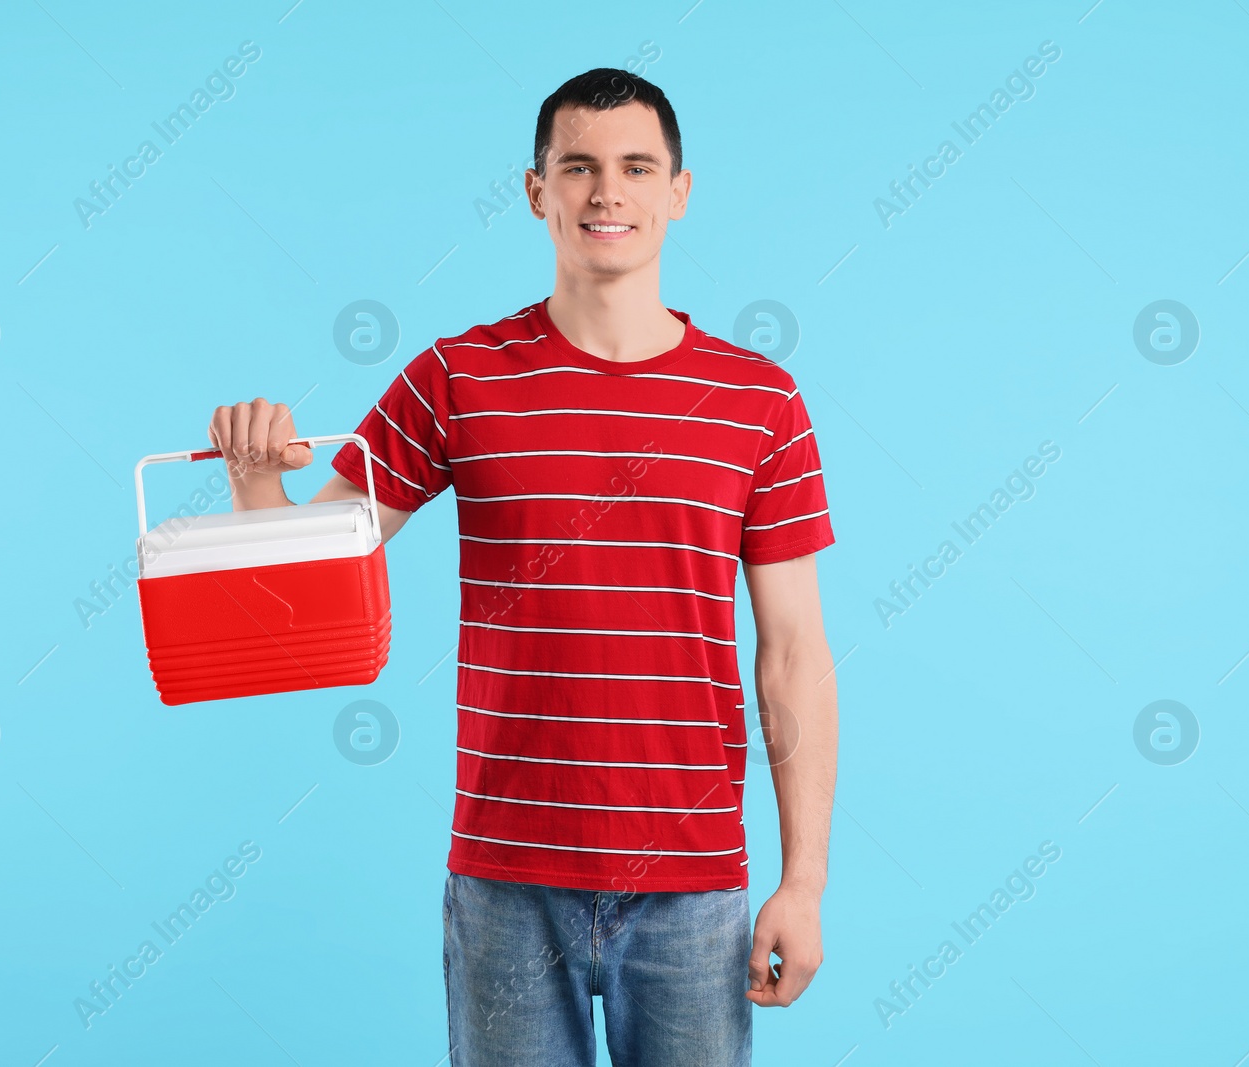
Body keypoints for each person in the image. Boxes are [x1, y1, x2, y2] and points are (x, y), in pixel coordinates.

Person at [207, 67, 838, 1067]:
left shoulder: (759, 400)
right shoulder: (455, 378)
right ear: (537, 189)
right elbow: (310, 584)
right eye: (577, 167)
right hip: (504, 880)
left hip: (694, 883)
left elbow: (793, 649)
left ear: (679, 190)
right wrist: (253, 491)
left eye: (635, 167)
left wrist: (802, 882)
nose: (606, 192)